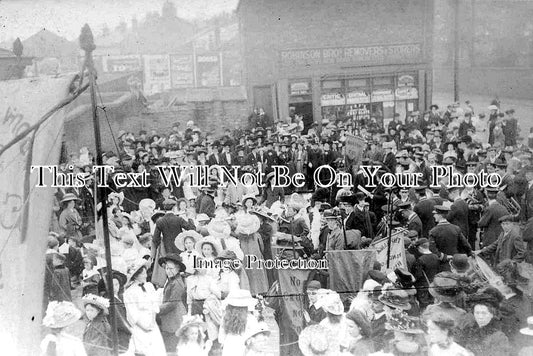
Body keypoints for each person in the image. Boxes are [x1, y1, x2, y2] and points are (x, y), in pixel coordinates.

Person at [123, 260, 166, 356]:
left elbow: (154, 305)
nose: (146, 276)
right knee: (143, 350)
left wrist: (152, 321)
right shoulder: (129, 292)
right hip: (140, 326)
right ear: (136, 276)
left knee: (157, 350)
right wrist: (144, 327)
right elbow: (132, 313)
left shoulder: (149, 286)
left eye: (145, 273)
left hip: (152, 323)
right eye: (143, 274)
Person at [459, 291, 512, 356]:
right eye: (477, 313)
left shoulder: (499, 336)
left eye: (484, 313)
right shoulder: (468, 329)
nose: (480, 317)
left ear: (492, 314)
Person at [157, 253, 187, 352]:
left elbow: (172, 304)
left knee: (174, 345)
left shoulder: (177, 282)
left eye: (171, 269)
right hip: (169, 317)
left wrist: (156, 309)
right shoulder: (171, 280)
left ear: (178, 268)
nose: (168, 271)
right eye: (166, 269)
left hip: (175, 317)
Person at [218, 289, 259, 356]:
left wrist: (224, 343)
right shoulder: (250, 318)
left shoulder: (226, 317)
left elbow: (221, 337)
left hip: (229, 345)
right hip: (244, 345)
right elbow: (255, 335)